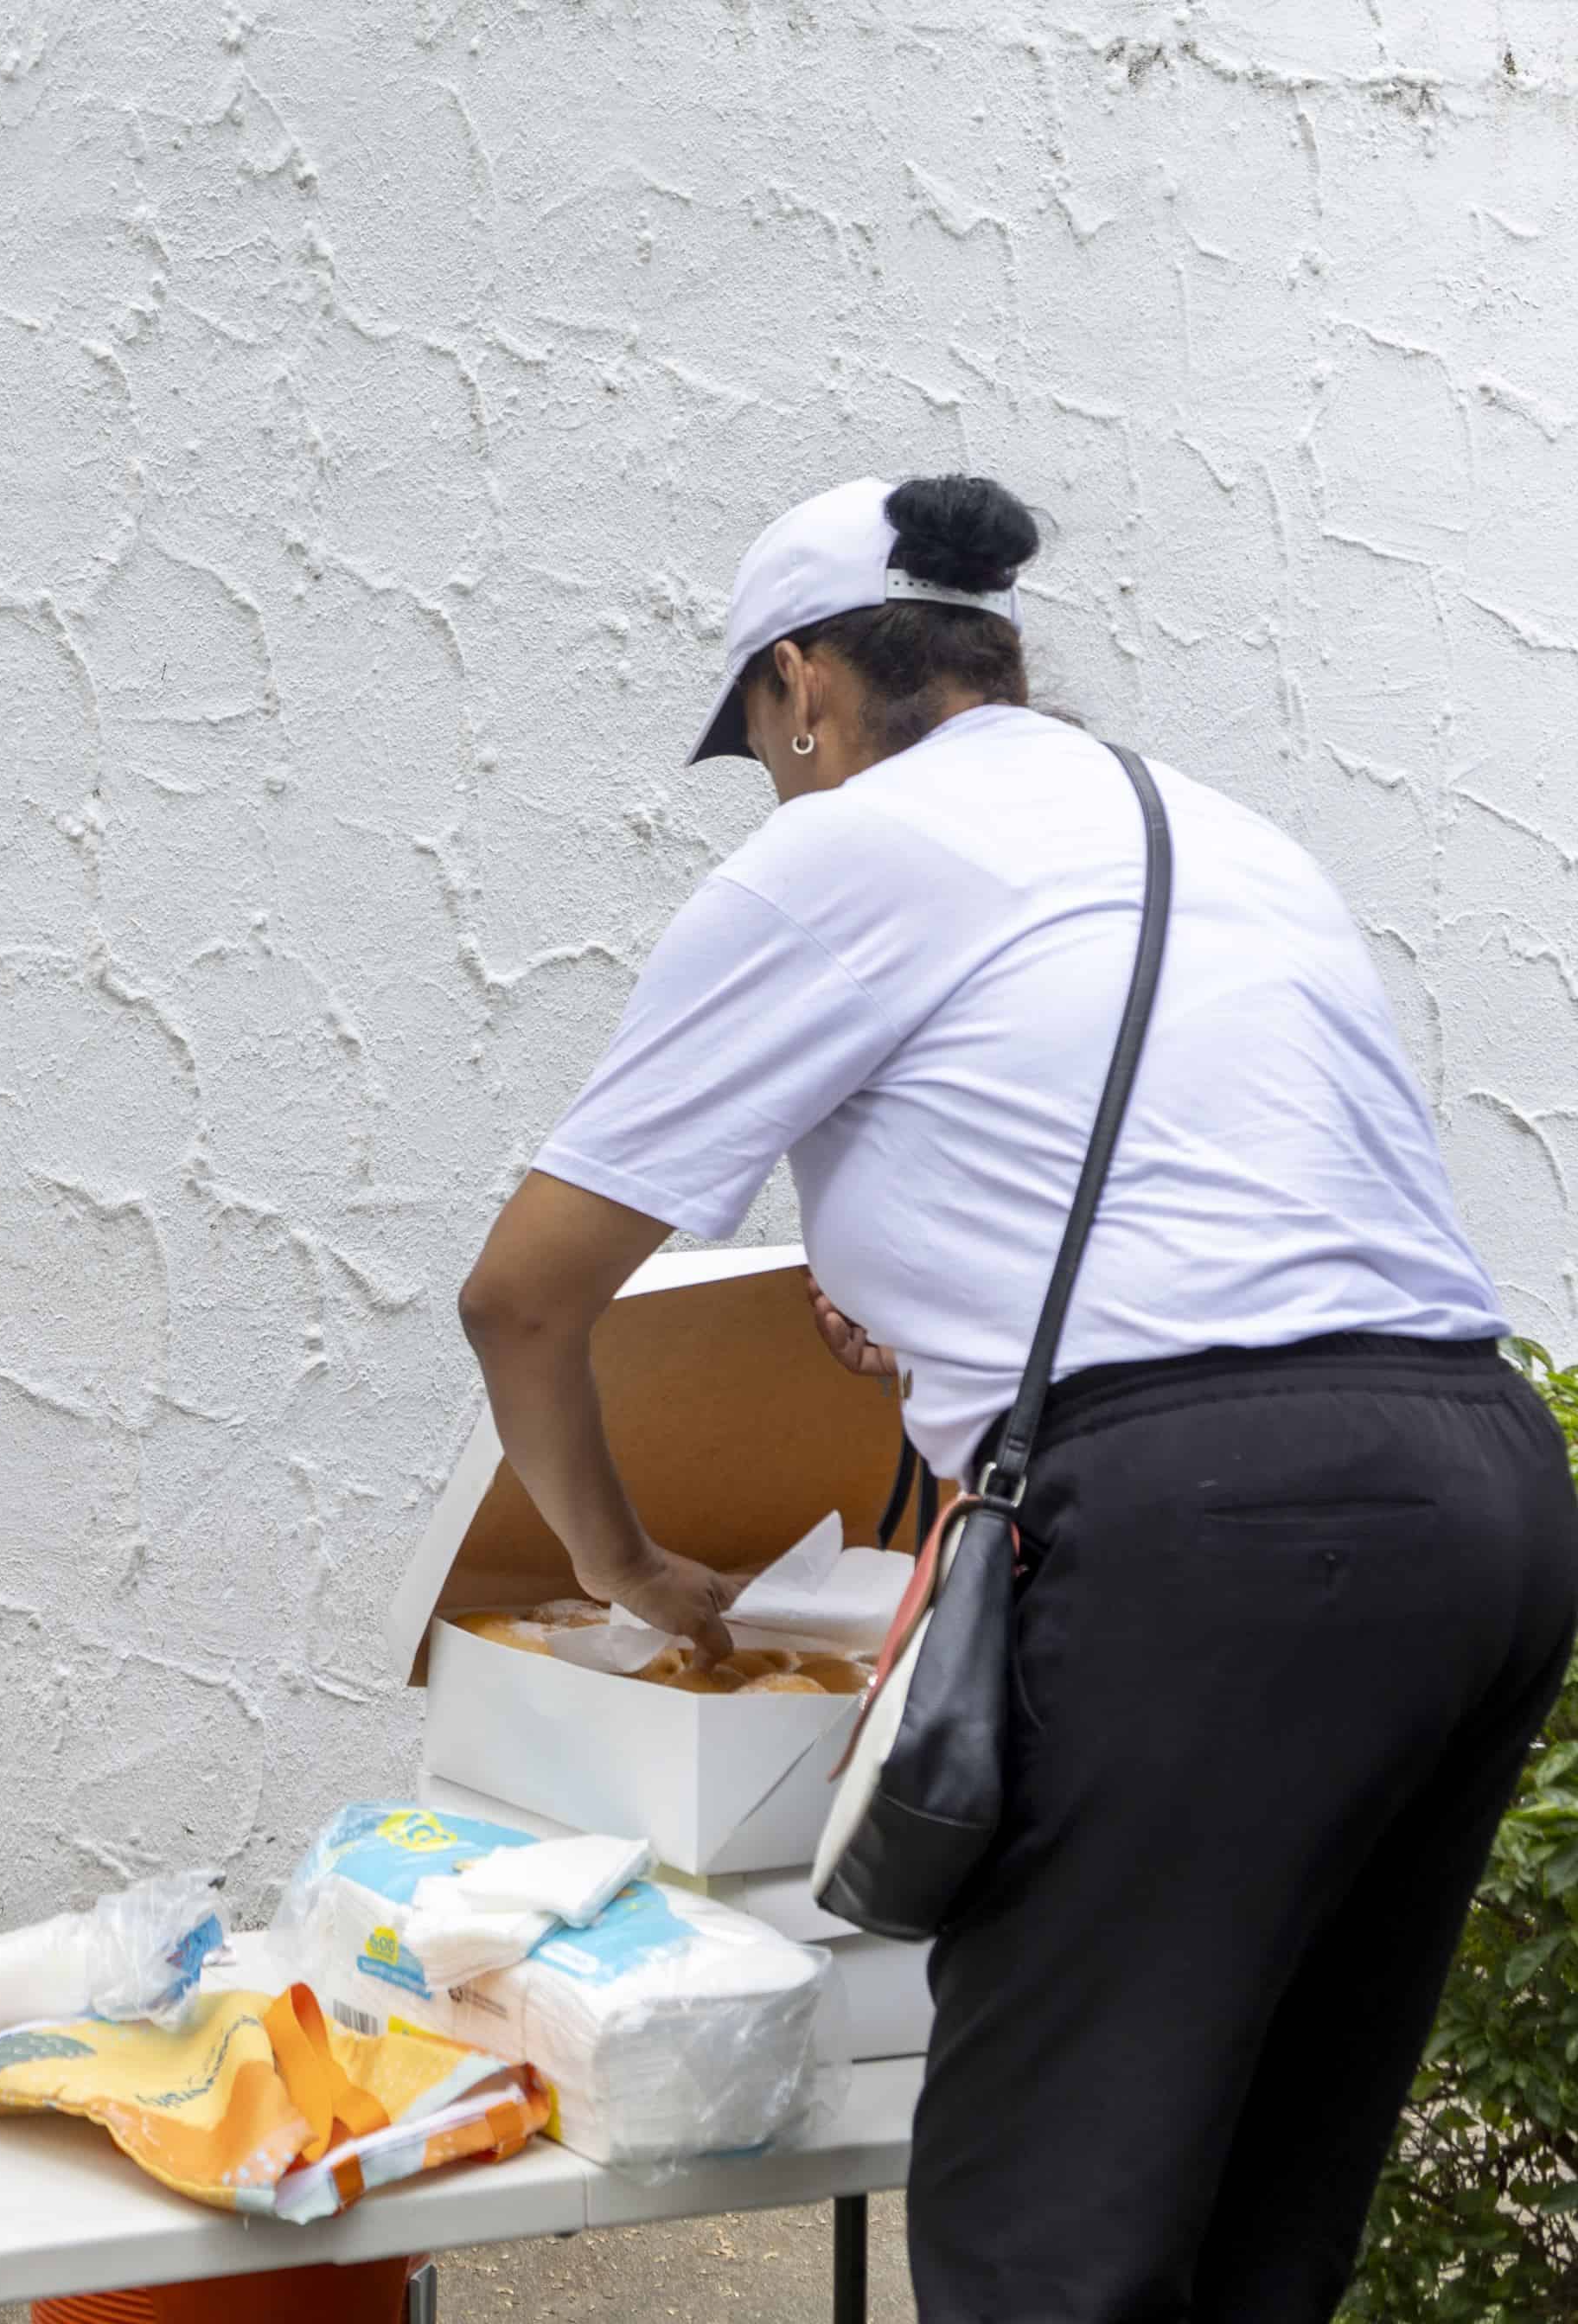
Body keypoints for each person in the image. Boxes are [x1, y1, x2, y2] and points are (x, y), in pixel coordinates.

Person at [453, 474, 1578, 2321]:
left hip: (1216, 1535)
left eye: (759, 742)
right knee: (1253, 2214)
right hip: (1476, 1499)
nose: (774, 783)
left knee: (1044, 2238)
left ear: (802, 684)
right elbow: (1176, 1185)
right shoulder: (1209, 831)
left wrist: (634, 1567)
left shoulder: (843, 849)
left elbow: (522, 1300)